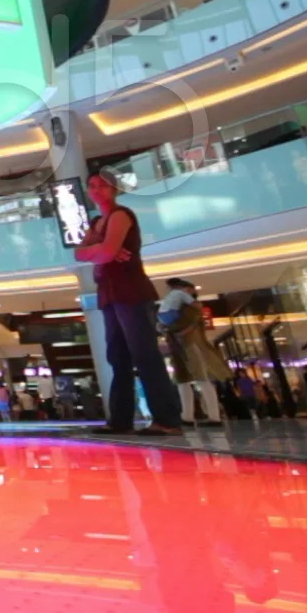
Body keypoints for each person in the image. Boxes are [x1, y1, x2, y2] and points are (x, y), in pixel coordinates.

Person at [77, 171, 183, 436]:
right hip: (110, 293)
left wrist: (100, 251)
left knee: (144, 354)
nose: (96, 190)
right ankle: (121, 419)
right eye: (92, 186)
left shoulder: (121, 215)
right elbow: (79, 252)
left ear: (114, 189)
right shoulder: (97, 222)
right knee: (118, 357)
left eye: (102, 185)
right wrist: (100, 250)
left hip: (131, 291)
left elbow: (106, 252)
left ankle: (167, 419)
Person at [158, 278, 227, 425]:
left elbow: (181, 327)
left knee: (198, 379)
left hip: (190, 346)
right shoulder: (183, 308)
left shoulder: (190, 309)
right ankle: (190, 416)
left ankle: (211, 417)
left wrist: (165, 328)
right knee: (186, 380)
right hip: (181, 347)